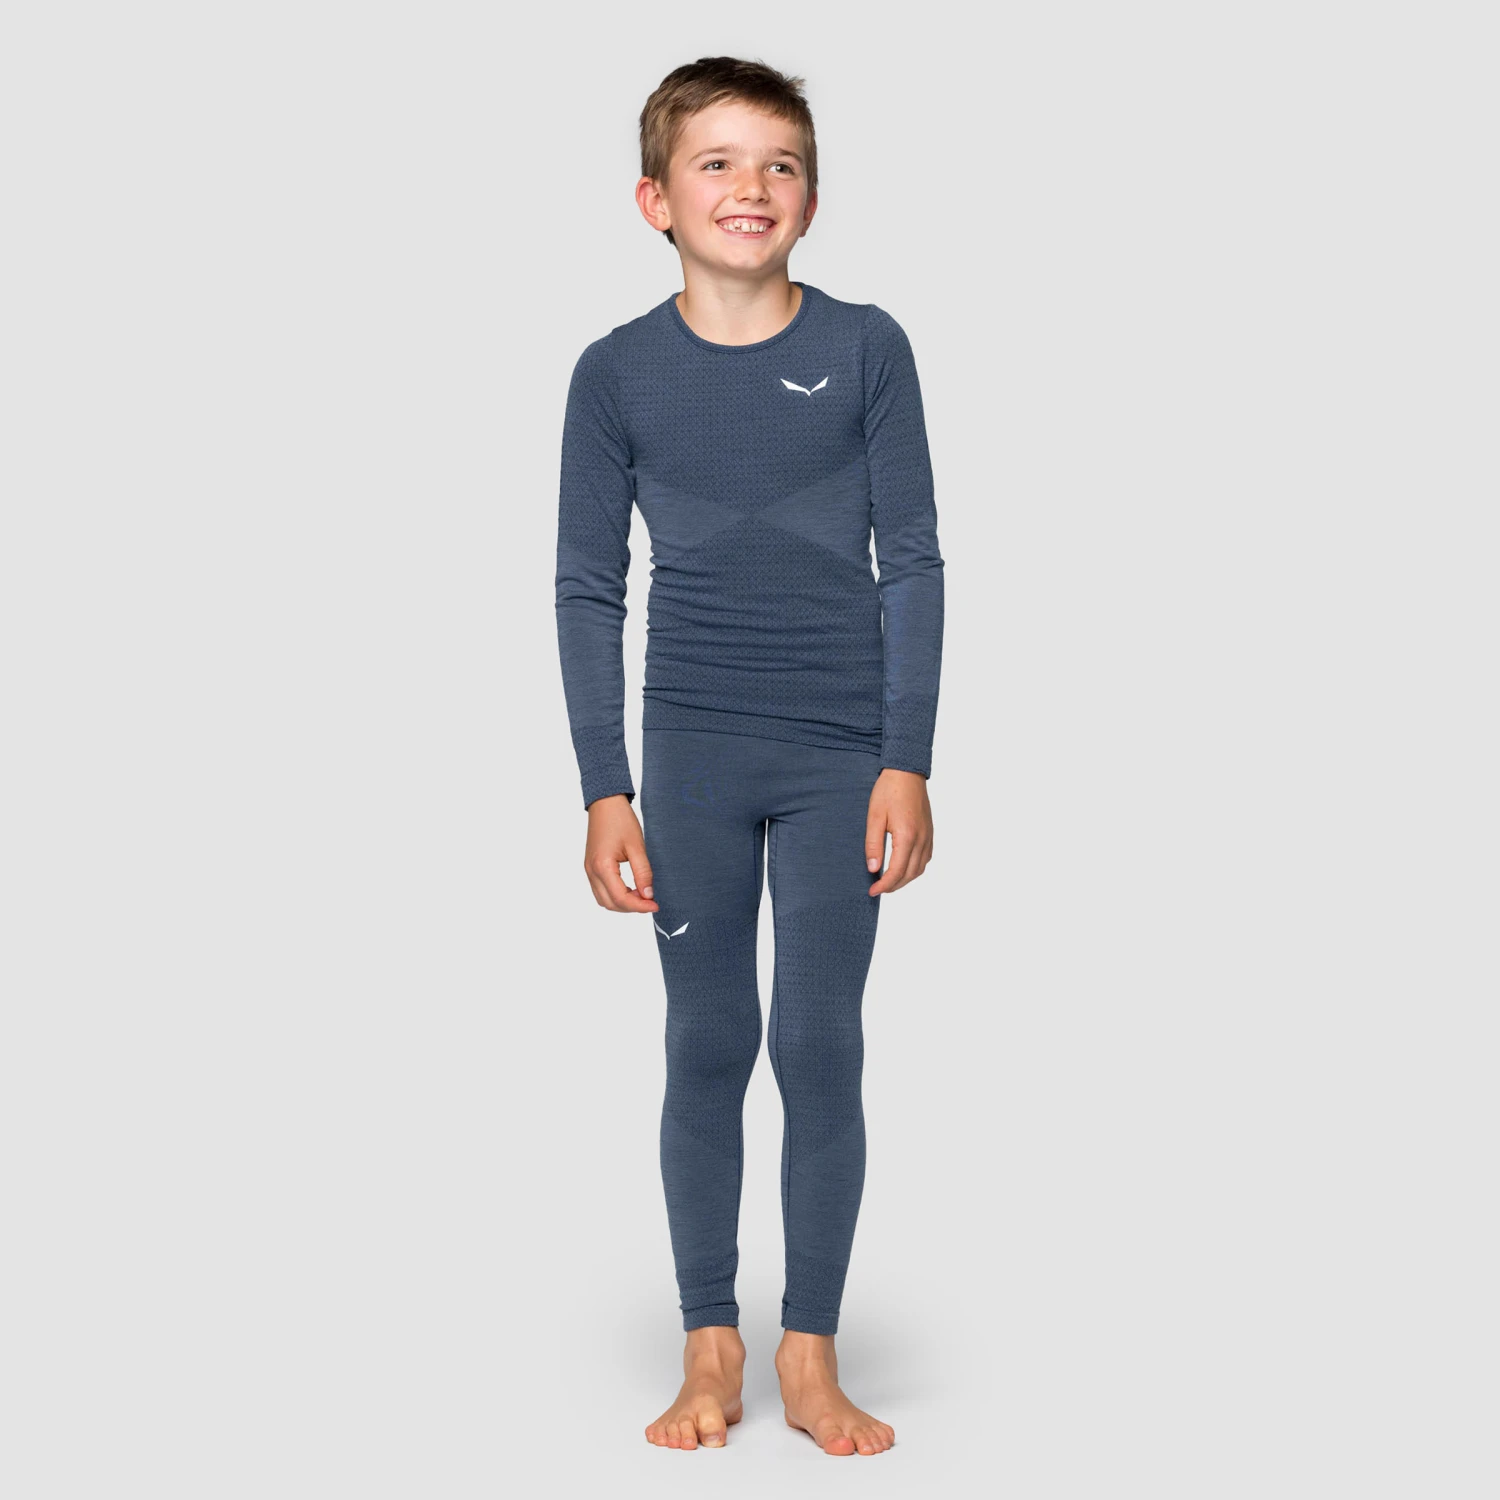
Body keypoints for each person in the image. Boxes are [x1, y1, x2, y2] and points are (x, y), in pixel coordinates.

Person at [553, 56, 944, 1458]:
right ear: (654, 199)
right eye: (715, 162)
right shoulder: (616, 373)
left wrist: (907, 756)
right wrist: (605, 787)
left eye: (779, 163)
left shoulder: (869, 347)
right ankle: (709, 1341)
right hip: (694, 758)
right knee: (708, 1037)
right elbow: (587, 585)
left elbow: (914, 560)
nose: (750, 186)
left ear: (812, 200)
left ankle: (810, 1349)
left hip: (843, 754)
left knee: (819, 1041)